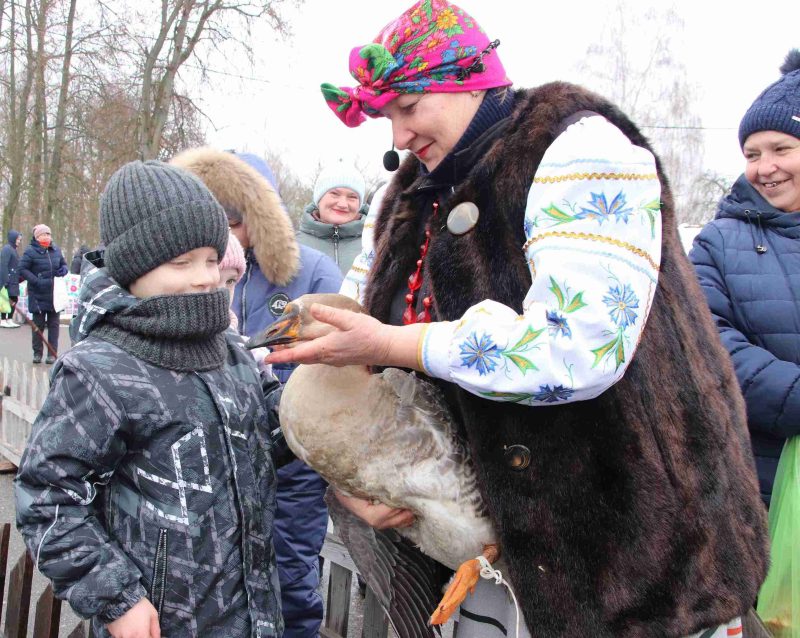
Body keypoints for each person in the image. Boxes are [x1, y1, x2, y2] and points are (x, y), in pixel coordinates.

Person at [267, 2, 770, 637]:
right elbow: (365, 353)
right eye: (387, 115)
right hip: (475, 566)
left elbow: (579, 349)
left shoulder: (580, 153)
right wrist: (359, 484)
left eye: (409, 107)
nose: (397, 137)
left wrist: (400, 343)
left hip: (624, 566)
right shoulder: (403, 199)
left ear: (465, 80)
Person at [15, 160, 284, 638]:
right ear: (133, 269)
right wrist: (116, 598)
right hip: (161, 621)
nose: (204, 278)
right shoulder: (98, 370)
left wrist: (328, 414)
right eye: (181, 263)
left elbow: (278, 434)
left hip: (254, 613)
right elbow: (48, 497)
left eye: (209, 259)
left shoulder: (232, 352)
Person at [170, 147, 342, 638]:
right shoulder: (190, 274)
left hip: (288, 456)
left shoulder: (312, 272)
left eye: (233, 218)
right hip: (208, 461)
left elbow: (339, 366)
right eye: (209, 217)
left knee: (288, 579)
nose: (223, 233)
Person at [690, 49, 800, 507]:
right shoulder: (718, 241)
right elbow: (706, 340)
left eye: (781, 149)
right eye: (752, 153)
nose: (764, 167)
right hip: (765, 486)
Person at [298, 161, 368, 274]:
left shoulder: (375, 245)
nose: (342, 204)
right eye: (334, 194)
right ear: (319, 198)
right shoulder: (292, 246)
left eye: (352, 197)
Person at [18, 224, 68, 363]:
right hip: (37, 295)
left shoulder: (56, 250)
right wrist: (35, 281)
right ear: (37, 237)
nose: (46, 236)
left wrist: (64, 269)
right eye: (43, 234)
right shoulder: (30, 251)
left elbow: (64, 264)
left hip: (54, 296)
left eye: (48, 234)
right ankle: (37, 353)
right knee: (37, 326)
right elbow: (22, 269)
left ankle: (52, 354)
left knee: (54, 326)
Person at [0, 229, 22, 328]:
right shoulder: (7, 249)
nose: (19, 241)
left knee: (13, 299)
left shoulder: (13, 250)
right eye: (18, 239)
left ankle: (9, 319)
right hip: (8, 279)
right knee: (6, 299)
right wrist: (5, 280)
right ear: (13, 238)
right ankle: (3, 319)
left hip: (14, 279)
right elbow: (3, 265)